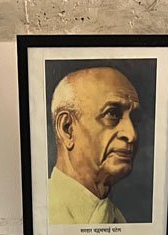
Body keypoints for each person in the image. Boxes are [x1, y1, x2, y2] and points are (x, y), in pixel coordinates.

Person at [48, 67, 140, 225]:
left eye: (135, 119)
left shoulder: (120, 222)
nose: (132, 135)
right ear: (67, 128)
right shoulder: (41, 214)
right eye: (112, 114)